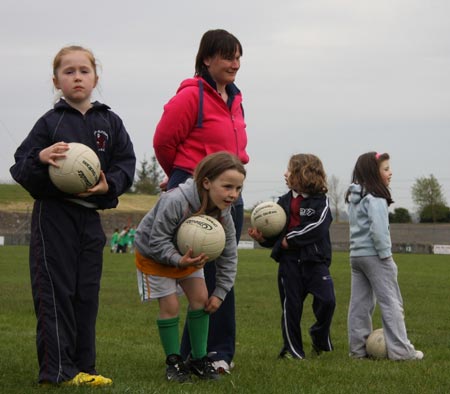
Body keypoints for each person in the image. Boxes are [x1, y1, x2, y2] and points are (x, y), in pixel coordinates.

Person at [9, 45, 136, 386]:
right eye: (68, 71)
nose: (77, 76)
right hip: (53, 218)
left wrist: (108, 184)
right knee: (55, 292)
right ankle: (57, 370)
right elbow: (20, 167)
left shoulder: (110, 121)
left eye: (84, 70)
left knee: (85, 294)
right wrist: (41, 157)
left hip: (89, 221)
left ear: (95, 77)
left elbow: (126, 165)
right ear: (56, 81)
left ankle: (85, 368)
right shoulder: (50, 122)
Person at [153, 29, 249, 373]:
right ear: (207, 58)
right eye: (227, 56)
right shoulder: (190, 96)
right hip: (194, 192)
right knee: (194, 268)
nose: (234, 64)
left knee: (222, 270)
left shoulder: (236, 97)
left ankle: (215, 353)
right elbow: (163, 141)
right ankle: (195, 356)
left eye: (238, 57)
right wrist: (185, 180)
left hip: (228, 195)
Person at [134, 152, 246, 382]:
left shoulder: (224, 212)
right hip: (154, 255)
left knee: (202, 300)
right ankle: (174, 363)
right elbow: (156, 240)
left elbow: (229, 255)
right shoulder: (174, 200)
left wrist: (221, 293)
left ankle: (198, 359)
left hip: (187, 256)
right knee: (171, 304)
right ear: (206, 182)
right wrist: (177, 260)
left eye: (238, 189)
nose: (233, 194)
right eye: (227, 187)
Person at [248, 154, 336, 359]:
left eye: (289, 170)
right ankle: (293, 350)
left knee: (328, 301)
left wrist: (291, 238)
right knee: (291, 307)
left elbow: (319, 227)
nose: (285, 174)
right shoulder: (282, 202)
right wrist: (263, 238)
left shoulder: (320, 202)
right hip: (289, 263)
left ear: (304, 174)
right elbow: (276, 235)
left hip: (315, 262)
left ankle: (319, 336)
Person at [345, 152, 424, 360]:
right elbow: (379, 231)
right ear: (374, 172)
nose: (390, 173)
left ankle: (357, 351)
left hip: (356, 256)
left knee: (359, 305)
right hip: (376, 256)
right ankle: (401, 352)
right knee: (391, 302)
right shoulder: (376, 197)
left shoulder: (355, 196)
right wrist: (386, 256)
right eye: (386, 169)